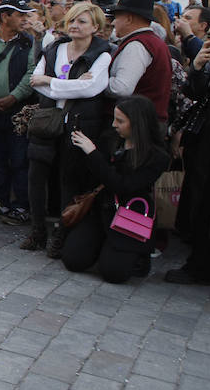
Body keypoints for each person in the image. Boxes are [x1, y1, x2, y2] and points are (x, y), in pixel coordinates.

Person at [24, 1, 113, 256]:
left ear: (95, 27)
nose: (74, 25)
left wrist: (52, 81)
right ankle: (37, 230)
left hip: (80, 125)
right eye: (72, 20)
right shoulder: (54, 48)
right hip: (47, 120)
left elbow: (92, 89)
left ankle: (62, 234)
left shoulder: (102, 54)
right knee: (36, 178)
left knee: (69, 180)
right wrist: (71, 84)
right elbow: (35, 82)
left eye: (82, 21)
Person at [62, 96, 169, 283]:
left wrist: (93, 154)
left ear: (137, 123)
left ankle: (133, 255)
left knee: (114, 273)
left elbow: (123, 186)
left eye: (120, 121)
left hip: (130, 213)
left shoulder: (157, 156)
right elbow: (92, 177)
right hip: (100, 209)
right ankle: (102, 246)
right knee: (73, 260)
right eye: (114, 119)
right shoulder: (110, 140)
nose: (114, 124)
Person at [164, 31, 210, 296]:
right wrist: (198, 65)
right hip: (209, 143)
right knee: (203, 203)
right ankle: (200, 266)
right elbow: (194, 92)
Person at [0, 0, 38, 224]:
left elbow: (32, 72)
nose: (24, 19)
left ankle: (21, 205)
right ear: (4, 17)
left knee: (19, 159)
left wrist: (14, 96)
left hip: (17, 112)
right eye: (19, 15)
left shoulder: (29, 43)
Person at [106, 0, 172, 124]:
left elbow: (121, 88)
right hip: (145, 121)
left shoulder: (137, 45)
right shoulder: (151, 41)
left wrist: (95, 81)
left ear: (129, 19)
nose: (113, 22)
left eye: (117, 17)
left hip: (138, 125)